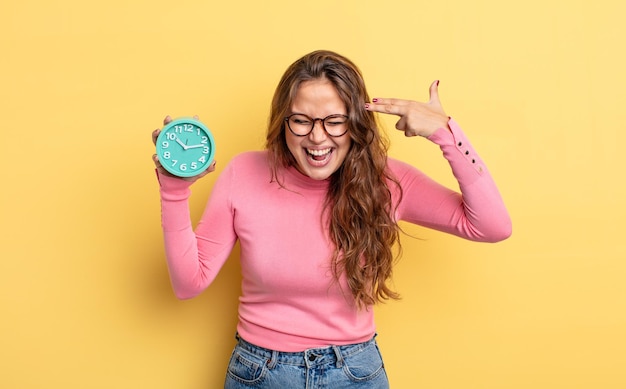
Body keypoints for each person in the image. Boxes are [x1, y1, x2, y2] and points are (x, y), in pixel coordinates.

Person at [151, 50, 511, 388]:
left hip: (355, 372)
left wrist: (446, 134)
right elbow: (189, 283)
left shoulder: (387, 182)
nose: (317, 137)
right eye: (301, 121)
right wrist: (174, 188)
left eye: (335, 121)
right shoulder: (243, 173)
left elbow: (492, 226)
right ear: (282, 122)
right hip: (260, 374)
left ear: (355, 123)